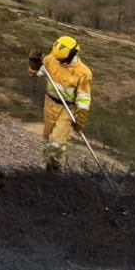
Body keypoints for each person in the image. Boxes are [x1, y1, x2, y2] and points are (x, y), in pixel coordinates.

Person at [29, 35, 93, 171]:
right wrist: (34, 63)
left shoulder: (84, 72)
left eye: (62, 59)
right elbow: (38, 73)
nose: (59, 61)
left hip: (68, 108)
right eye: (58, 58)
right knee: (47, 136)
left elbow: (84, 96)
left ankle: (54, 168)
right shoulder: (51, 59)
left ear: (73, 54)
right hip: (50, 102)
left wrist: (82, 113)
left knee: (57, 141)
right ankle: (48, 164)